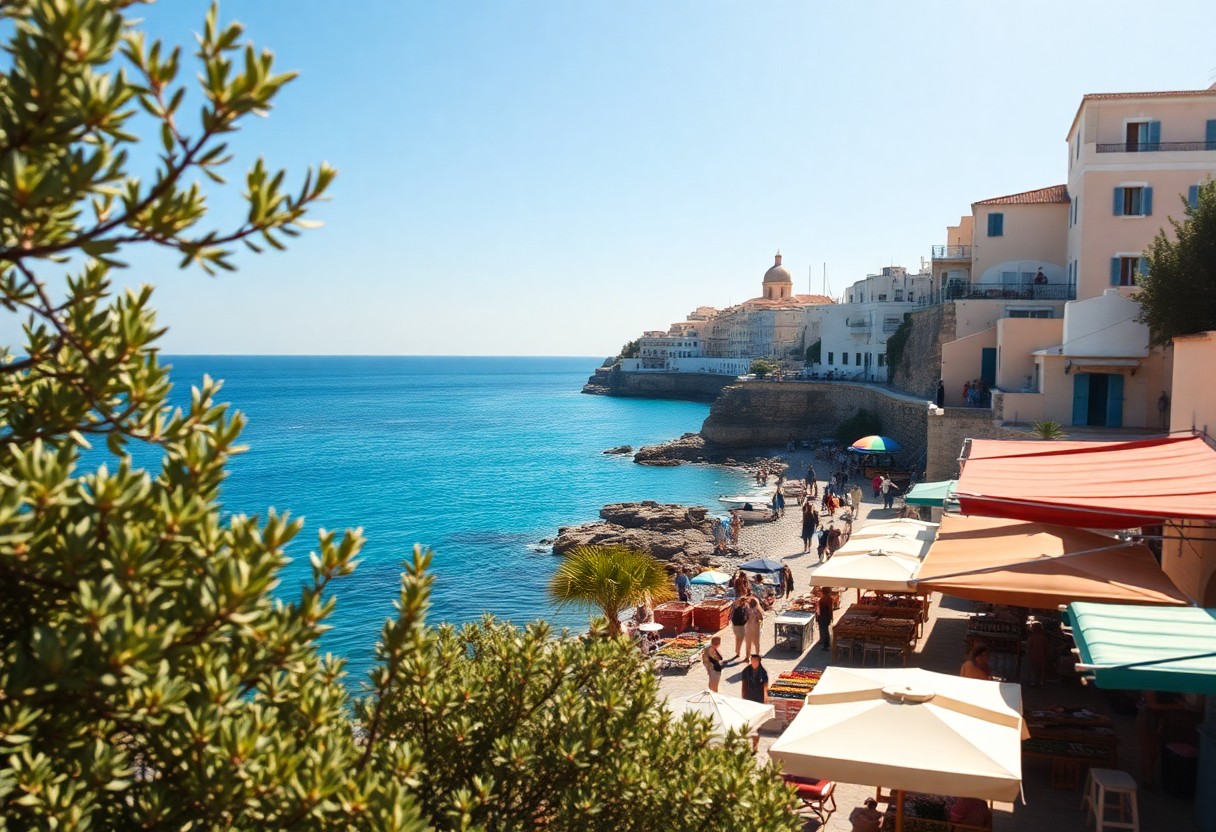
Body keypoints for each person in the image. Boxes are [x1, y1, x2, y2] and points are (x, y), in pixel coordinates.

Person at [740, 654, 769, 751]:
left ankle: (755, 745)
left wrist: (765, 695)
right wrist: (743, 696)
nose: (753, 662)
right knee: (749, 721)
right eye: (752, 660)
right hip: (749, 697)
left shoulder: (763, 672)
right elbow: (744, 684)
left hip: (759, 698)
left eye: (755, 661)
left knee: (757, 723)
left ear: (759, 661)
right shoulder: (746, 671)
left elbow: (765, 685)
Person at [1025, 620, 1049, 687]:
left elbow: (1028, 648)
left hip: (1033, 657)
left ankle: (1033, 682)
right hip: (1042, 657)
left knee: (1033, 670)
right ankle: (1040, 683)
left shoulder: (1031, 638)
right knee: (1040, 671)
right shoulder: (1043, 638)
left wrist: (1028, 655)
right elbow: (1046, 648)